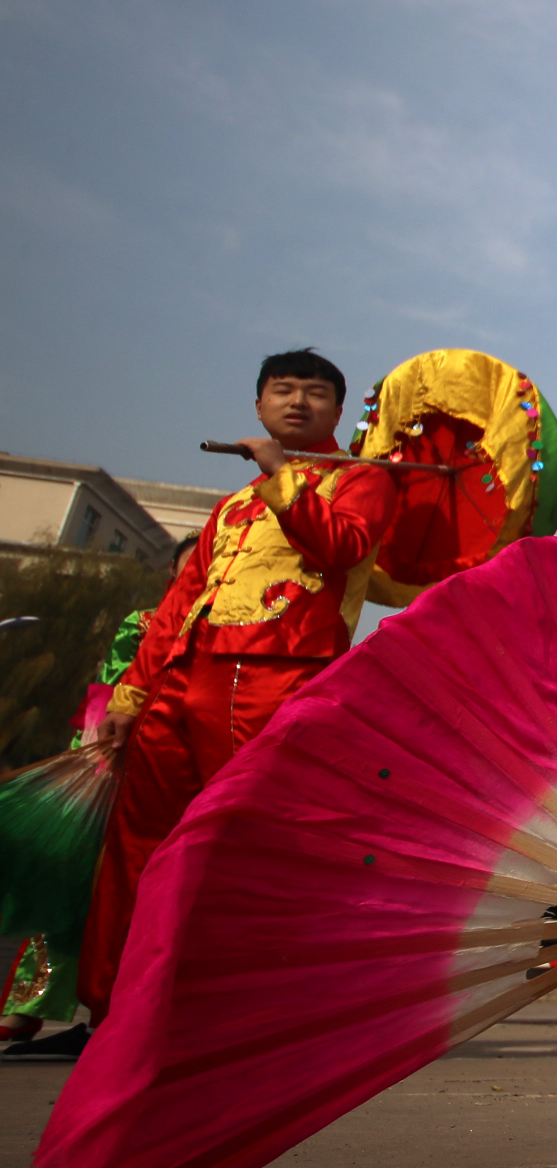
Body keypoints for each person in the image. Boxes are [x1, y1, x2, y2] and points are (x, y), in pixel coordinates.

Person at [79, 350, 397, 1019]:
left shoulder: (362, 478)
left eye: (315, 394)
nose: (297, 403)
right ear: (258, 406)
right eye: (283, 391)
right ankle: (121, 1003)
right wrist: (130, 698)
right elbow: (180, 603)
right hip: (183, 674)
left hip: (275, 671)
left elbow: (337, 548)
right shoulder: (233, 505)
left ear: (339, 413)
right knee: (142, 839)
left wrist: (284, 477)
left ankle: (236, 1002)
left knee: (245, 835)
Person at [0, 531, 193, 1059]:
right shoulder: (146, 624)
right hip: (115, 768)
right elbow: (110, 697)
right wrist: (94, 757)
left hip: (176, 774)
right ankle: (28, 1007)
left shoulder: (227, 632)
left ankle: (125, 1017)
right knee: (75, 889)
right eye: (186, 569)